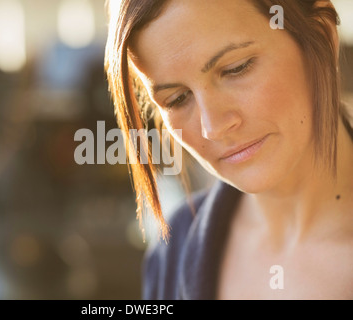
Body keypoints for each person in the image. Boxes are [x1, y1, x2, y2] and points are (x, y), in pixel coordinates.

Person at [104, 0, 353, 299]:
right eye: (178, 99)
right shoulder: (173, 251)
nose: (213, 127)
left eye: (236, 69)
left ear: (323, 36)